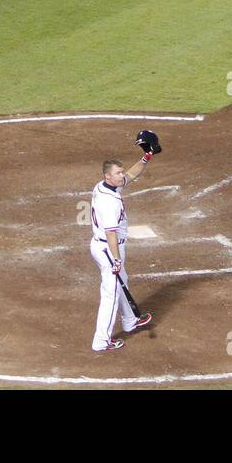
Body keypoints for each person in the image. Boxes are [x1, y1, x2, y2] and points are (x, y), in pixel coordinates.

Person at [89, 139, 158, 352]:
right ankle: (101, 341)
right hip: (108, 249)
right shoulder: (109, 202)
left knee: (123, 282)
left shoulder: (104, 187)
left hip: (104, 246)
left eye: (120, 172)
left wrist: (147, 156)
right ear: (107, 176)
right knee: (110, 293)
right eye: (118, 173)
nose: (122, 175)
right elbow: (111, 233)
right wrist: (116, 260)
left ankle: (130, 320)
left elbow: (131, 175)